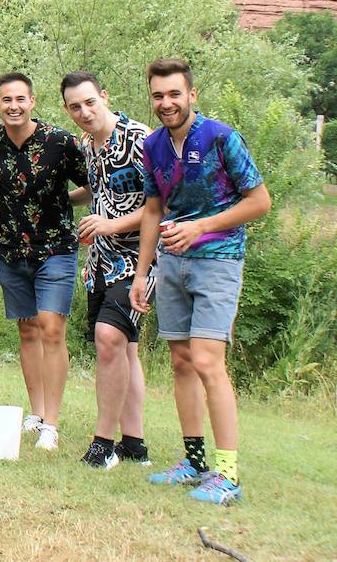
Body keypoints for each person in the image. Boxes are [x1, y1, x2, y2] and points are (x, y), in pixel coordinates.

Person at [131, 58, 270, 506]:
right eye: (158, 95)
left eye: (174, 93)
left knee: (209, 362)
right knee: (181, 363)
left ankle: (228, 474)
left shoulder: (222, 138)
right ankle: (194, 462)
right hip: (170, 264)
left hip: (218, 261)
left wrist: (203, 227)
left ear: (192, 94)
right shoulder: (153, 146)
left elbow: (259, 201)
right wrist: (142, 272)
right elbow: (153, 209)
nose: (166, 102)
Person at [0, 72, 88, 451]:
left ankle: (52, 425)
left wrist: (67, 201)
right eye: (6, 100)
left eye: (20, 99)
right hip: (12, 251)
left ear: (32, 101)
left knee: (51, 329)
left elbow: (93, 180)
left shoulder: (60, 141)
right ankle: (37, 413)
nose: (14, 106)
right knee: (27, 331)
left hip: (56, 248)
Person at [61, 71, 154, 470]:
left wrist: (111, 224)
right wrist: (60, 199)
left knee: (107, 337)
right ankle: (135, 444)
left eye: (90, 102)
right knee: (125, 349)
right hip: (101, 262)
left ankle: (103, 444)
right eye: (75, 107)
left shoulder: (140, 138)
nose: (84, 112)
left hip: (140, 261)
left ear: (104, 95)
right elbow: (99, 191)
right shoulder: (88, 145)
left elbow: (159, 202)